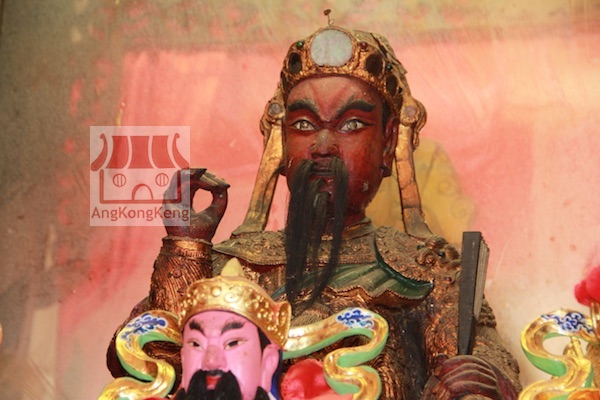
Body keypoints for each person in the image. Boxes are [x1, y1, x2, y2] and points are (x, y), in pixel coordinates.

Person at [108, 25, 521, 399]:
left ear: (388, 142)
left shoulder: (428, 269)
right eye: (304, 125)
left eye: (351, 124)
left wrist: (480, 379)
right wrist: (186, 249)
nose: (323, 146)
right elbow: (146, 360)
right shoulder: (232, 266)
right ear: (281, 140)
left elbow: (482, 362)